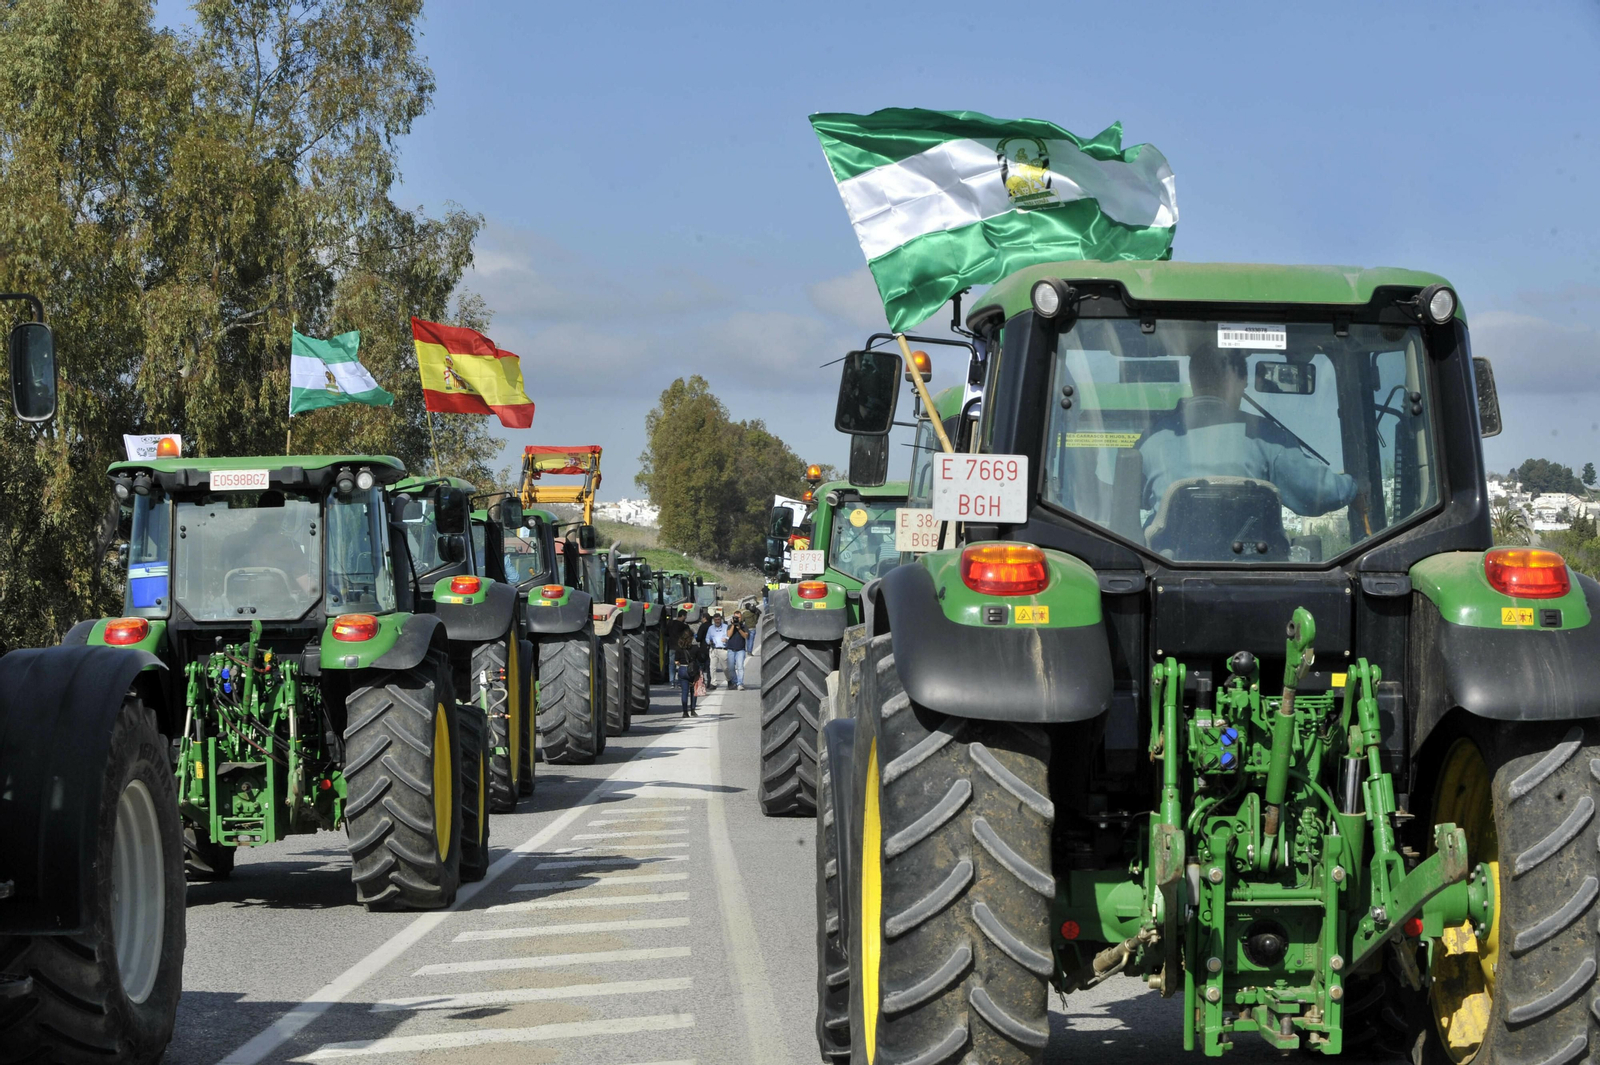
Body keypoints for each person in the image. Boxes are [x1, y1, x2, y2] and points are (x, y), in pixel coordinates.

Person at [1139, 349, 1357, 520]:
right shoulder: (1266, 437)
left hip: (1164, 568)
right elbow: (1317, 493)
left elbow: (1123, 501)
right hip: (1251, 569)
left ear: (1193, 379)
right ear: (1240, 381)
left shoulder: (1151, 440)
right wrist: (1354, 486)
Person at [673, 615, 699, 717]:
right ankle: (693, 710)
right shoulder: (695, 648)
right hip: (692, 670)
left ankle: (684, 712)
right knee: (693, 691)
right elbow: (699, 659)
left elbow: (676, 662)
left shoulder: (679, 649)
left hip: (682, 669)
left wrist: (680, 664)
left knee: (684, 691)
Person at [707, 612, 730, 688]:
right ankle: (713, 683)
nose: (717, 621)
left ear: (721, 620)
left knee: (725, 668)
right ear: (713, 620)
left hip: (723, 650)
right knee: (712, 667)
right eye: (716, 620)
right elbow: (707, 638)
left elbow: (729, 636)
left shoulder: (725, 627)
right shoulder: (711, 628)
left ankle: (729, 680)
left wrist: (726, 639)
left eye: (718, 619)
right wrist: (709, 641)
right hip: (714, 649)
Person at [725, 617, 748, 691]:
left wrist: (739, 628)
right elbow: (728, 635)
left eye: (738, 618)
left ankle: (740, 683)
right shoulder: (729, 626)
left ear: (741, 618)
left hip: (740, 650)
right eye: (735, 618)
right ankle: (735, 681)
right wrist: (733, 625)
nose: (736, 619)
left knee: (740, 667)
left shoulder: (744, 626)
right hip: (731, 650)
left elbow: (745, 636)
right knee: (731, 668)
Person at [694, 612, 714, 690]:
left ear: (705, 618)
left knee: (701, 666)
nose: (701, 619)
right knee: (709, 666)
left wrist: (695, 636)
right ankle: (710, 681)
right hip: (710, 648)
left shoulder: (702, 626)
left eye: (702, 618)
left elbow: (698, 638)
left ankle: (702, 681)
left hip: (703, 648)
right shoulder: (712, 627)